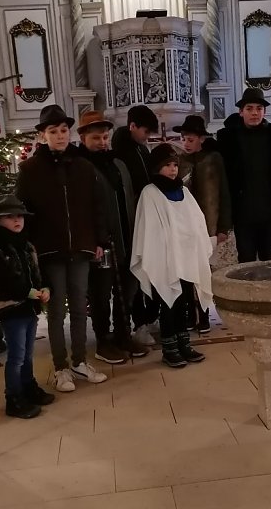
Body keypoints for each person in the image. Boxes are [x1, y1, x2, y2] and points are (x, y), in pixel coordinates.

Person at [16, 105, 108, 393]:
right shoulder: (30, 170)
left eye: (64, 131)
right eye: (53, 132)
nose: (60, 136)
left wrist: (99, 241)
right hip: (50, 250)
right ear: (43, 136)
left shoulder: (83, 166)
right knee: (57, 311)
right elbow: (23, 211)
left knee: (80, 307)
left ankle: (80, 361)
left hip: (81, 247)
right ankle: (61, 368)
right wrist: (31, 245)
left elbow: (97, 206)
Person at [76, 110, 150, 364]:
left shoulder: (118, 164)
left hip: (126, 237)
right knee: (101, 293)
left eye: (105, 137)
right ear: (83, 137)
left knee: (126, 291)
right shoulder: (81, 167)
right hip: (100, 242)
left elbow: (128, 198)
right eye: (96, 138)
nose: (102, 142)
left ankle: (123, 334)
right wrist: (94, 240)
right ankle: (103, 342)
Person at [131, 144, 213, 368]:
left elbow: (196, 221)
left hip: (186, 257)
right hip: (165, 259)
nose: (172, 169)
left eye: (175, 165)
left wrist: (194, 241)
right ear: (157, 167)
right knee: (168, 304)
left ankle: (184, 344)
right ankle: (169, 349)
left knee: (185, 302)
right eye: (167, 165)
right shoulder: (150, 193)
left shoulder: (183, 191)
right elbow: (151, 230)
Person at [0, 194, 55, 419]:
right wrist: (28, 292)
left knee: (28, 353)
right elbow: (3, 281)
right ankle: (13, 397)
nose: (17, 220)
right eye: (10, 216)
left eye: (19, 216)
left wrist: (46, 288)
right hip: (11, 308)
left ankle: (28, 386)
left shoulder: (27, 245)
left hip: (29, 307)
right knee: (17, 356)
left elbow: (38, 273)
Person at [217, 87, 271, 263]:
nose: (254, 113)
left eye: (259, 108)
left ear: (264, 111)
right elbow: (219, 171)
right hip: (242, 210)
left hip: (270, 208)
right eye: (249, 108)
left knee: (269, 258)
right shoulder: (228, 137)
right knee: (245, 259)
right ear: (241, 112)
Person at [174, 114, 233, 333]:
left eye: (190, 139)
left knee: (204, 272)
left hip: (209, 225)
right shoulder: (180, 162)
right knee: (187, 272)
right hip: (186, 226)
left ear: (201, 139)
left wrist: (223, 227)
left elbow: (223, 193)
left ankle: (205, 314)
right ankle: (191, 313)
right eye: (183, 139)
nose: (186, 143)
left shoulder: (213, 158)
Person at [112, 104, 161, 345]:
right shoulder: (120, 153)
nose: (147, 137)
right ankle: (138, 324)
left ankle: (150, 319)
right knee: (134, 274)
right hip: (131, 223)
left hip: (148, 220)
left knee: (150, 272)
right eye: (145, 132)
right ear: (132, 126)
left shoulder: (141, 150)